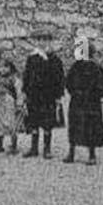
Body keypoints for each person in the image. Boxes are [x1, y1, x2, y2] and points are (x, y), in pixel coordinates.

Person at [65, 40, 103, 165]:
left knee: (90, 128)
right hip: (79, 101)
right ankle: (72, 152)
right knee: (75, 127)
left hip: (90, 103)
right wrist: (75, 92)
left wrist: (95, 95)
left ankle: (90, 155)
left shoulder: (96, 68)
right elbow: (68, 82)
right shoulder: (76, 67)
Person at [22, 29, 66, 159]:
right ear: (35, 42)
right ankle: (34, 148)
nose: (42, 43)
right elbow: (27, 76)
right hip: (34, 95)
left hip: (48, 95)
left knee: (47, 121)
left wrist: (58, 95)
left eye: (45, 40)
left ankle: (47, 148)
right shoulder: (31, 58)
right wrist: (25, 92)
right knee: (34, 120)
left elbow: (60, 78)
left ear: (50, 42)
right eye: (39, 40)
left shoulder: (54, 59)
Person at [0, 58, 23, 154]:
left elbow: (19, 92)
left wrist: (19, 104)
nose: (2, 69)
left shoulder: (14, 79)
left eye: (5, 67)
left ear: (10, 68)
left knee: (11, 122)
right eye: (1, 67)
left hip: (9, 102)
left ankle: (14, 145)